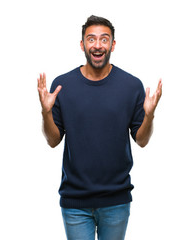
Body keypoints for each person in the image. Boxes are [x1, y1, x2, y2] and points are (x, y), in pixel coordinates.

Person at [37, 15, 162, 240]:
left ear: (112, 45)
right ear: (82, 44)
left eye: (104, 40)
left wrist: (150, 115)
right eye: (91, 39)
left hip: (116, 201)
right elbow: (53, 140)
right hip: (75, 202)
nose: (97, 45)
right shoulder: (62, 85)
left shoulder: (131, 85)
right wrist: (46, 111)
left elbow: (141, 140)